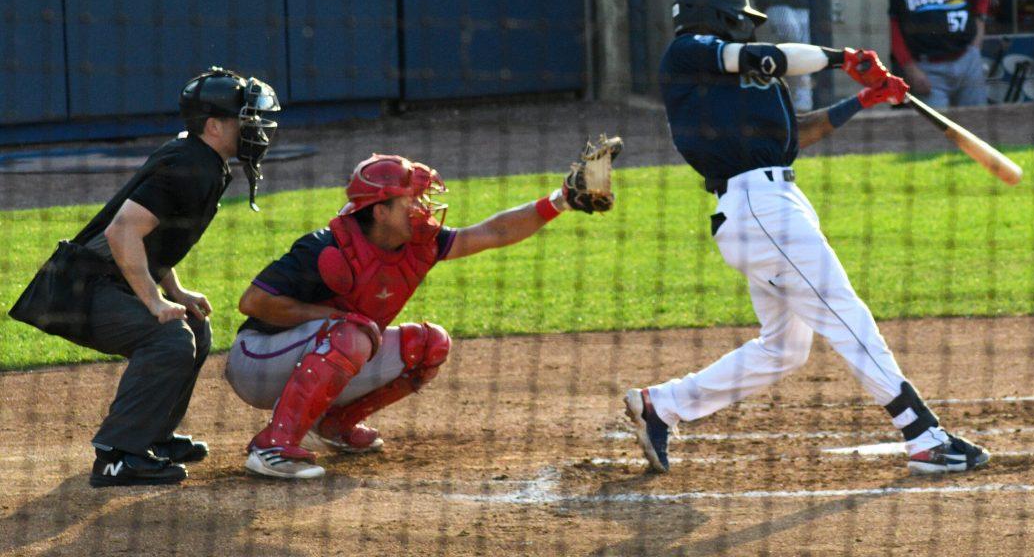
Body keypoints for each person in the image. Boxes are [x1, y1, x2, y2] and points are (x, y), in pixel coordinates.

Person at [623, 0, 990, 476]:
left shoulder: (749, 80)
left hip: (775, 204)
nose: (749, 34)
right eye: (742, 23)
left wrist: (865, 100)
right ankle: (924, 437)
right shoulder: (688, 54)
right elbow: (766, 56)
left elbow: (795, 137)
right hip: (759, 210)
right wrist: (844, 58)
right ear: (722, 18)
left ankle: (661, 406)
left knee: (783, 349)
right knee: (845, 314)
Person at [225, 147, 615, 479]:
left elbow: (492, 232)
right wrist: (330, 317)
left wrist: (560, 200)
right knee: (351, 332)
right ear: (379, 211)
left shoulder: (418, 243)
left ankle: (335, 425)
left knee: (428, 344)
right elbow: (253, 303)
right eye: (411, 199)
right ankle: (273, 446)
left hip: (327, 352)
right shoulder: (325, 249)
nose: (422, 207)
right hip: (257, 361)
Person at [9, 67, 281, 487]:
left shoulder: (200, 159)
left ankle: (154, 437)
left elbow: (156, 239)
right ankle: (118, 456)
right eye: (245, 120)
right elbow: (123, 231)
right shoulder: (190, 165)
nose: (256, 129)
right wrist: (154, 302)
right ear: (214, 125)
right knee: (167, 337)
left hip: (99, 283)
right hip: (79, 290)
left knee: (193, 324)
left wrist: (174, 290)